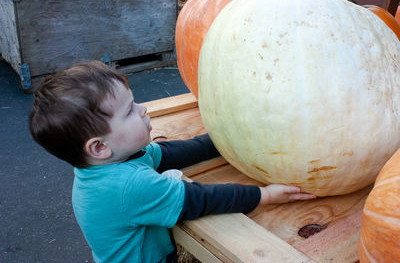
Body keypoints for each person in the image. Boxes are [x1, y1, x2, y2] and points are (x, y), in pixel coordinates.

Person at [29, 61, 316, 263]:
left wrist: (227, 139)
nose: (142, 110)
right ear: (100, 147)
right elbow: (198, 199)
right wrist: (263, 195)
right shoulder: (129, 186)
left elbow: (171, 153)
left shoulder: (109, 163)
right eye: (130, 111)